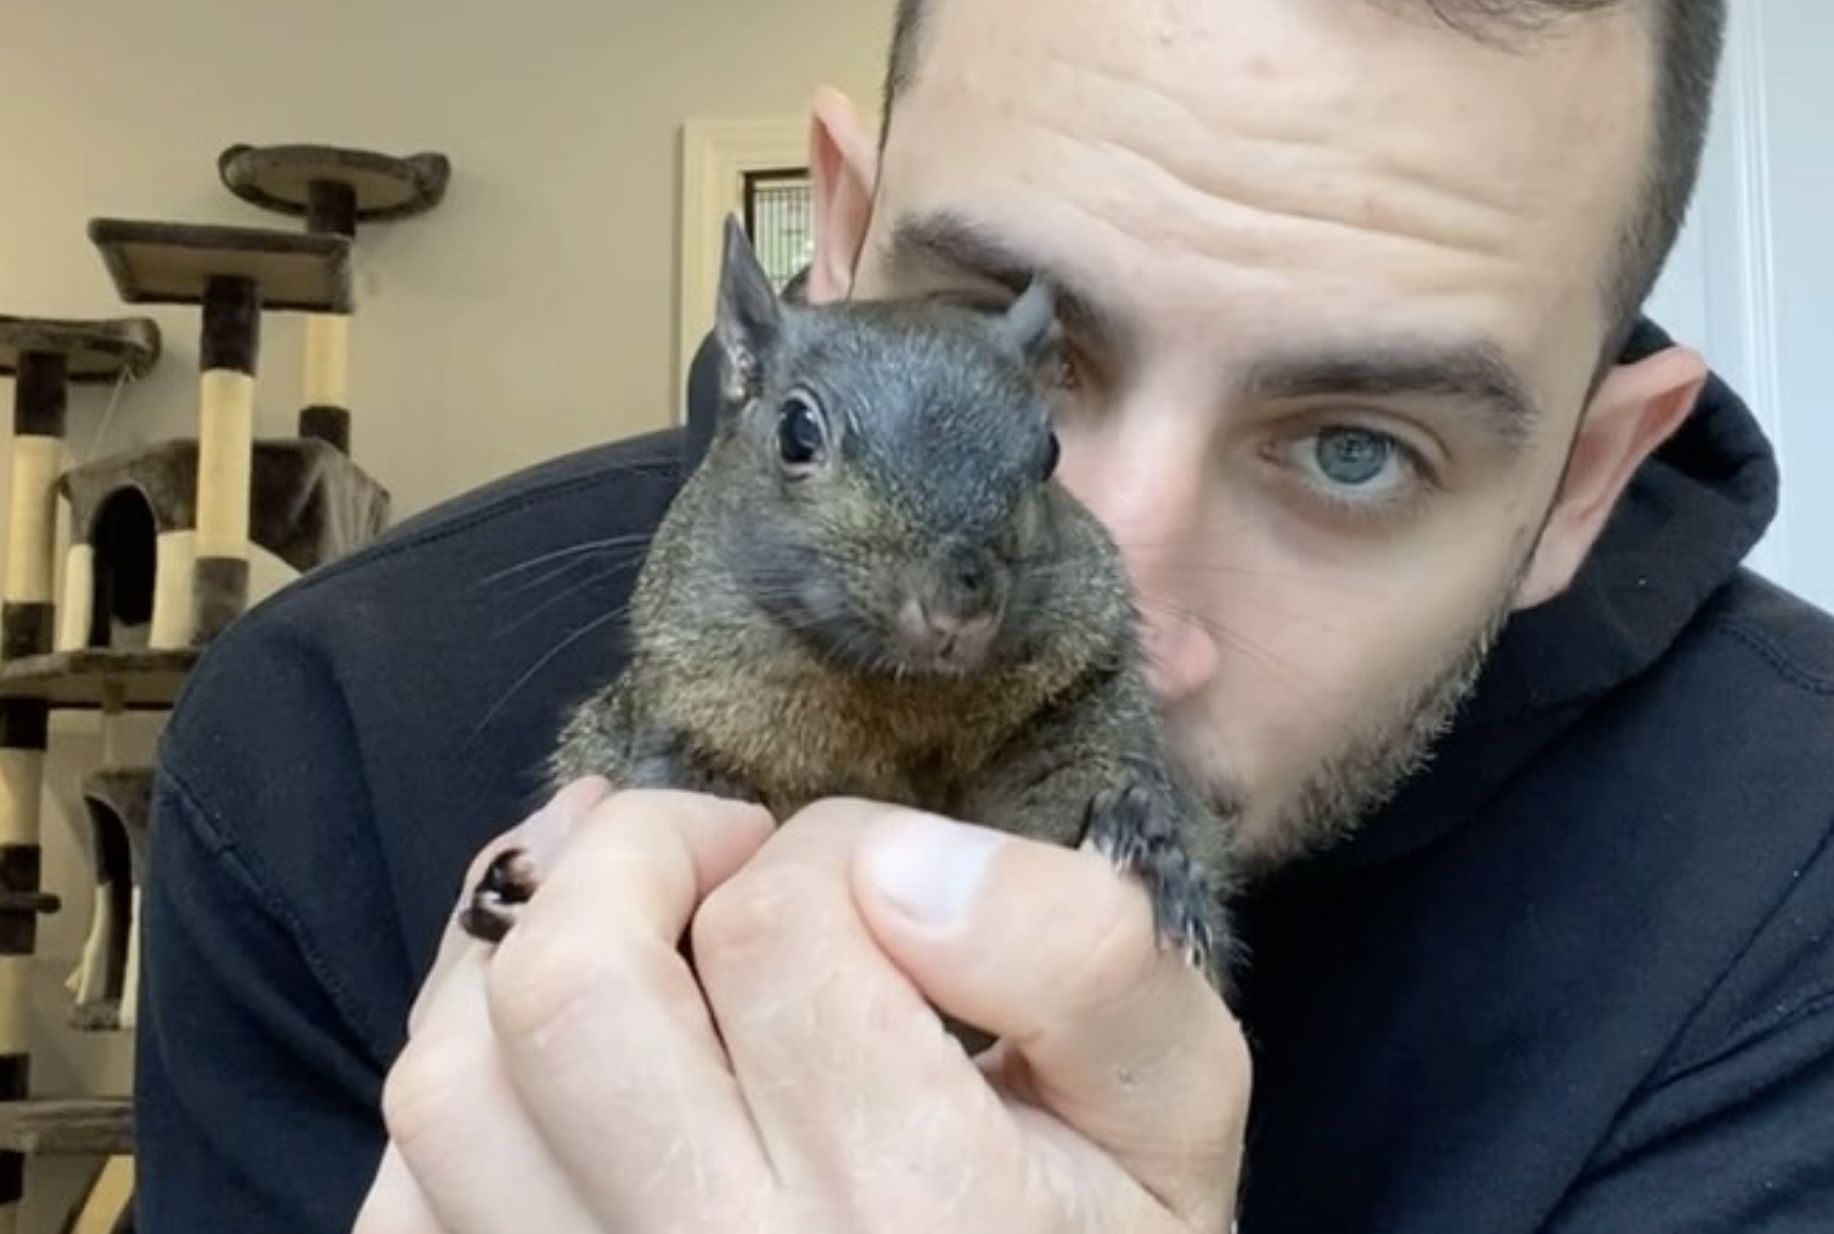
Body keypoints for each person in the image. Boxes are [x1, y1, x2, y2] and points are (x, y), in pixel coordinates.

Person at [132, 1, 1834, 1230]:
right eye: (1023, 341)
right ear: (838, 247)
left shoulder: (1786, 890)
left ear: (1587, 481)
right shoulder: (326, 745)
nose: (1114, 602)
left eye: (1354, 448)